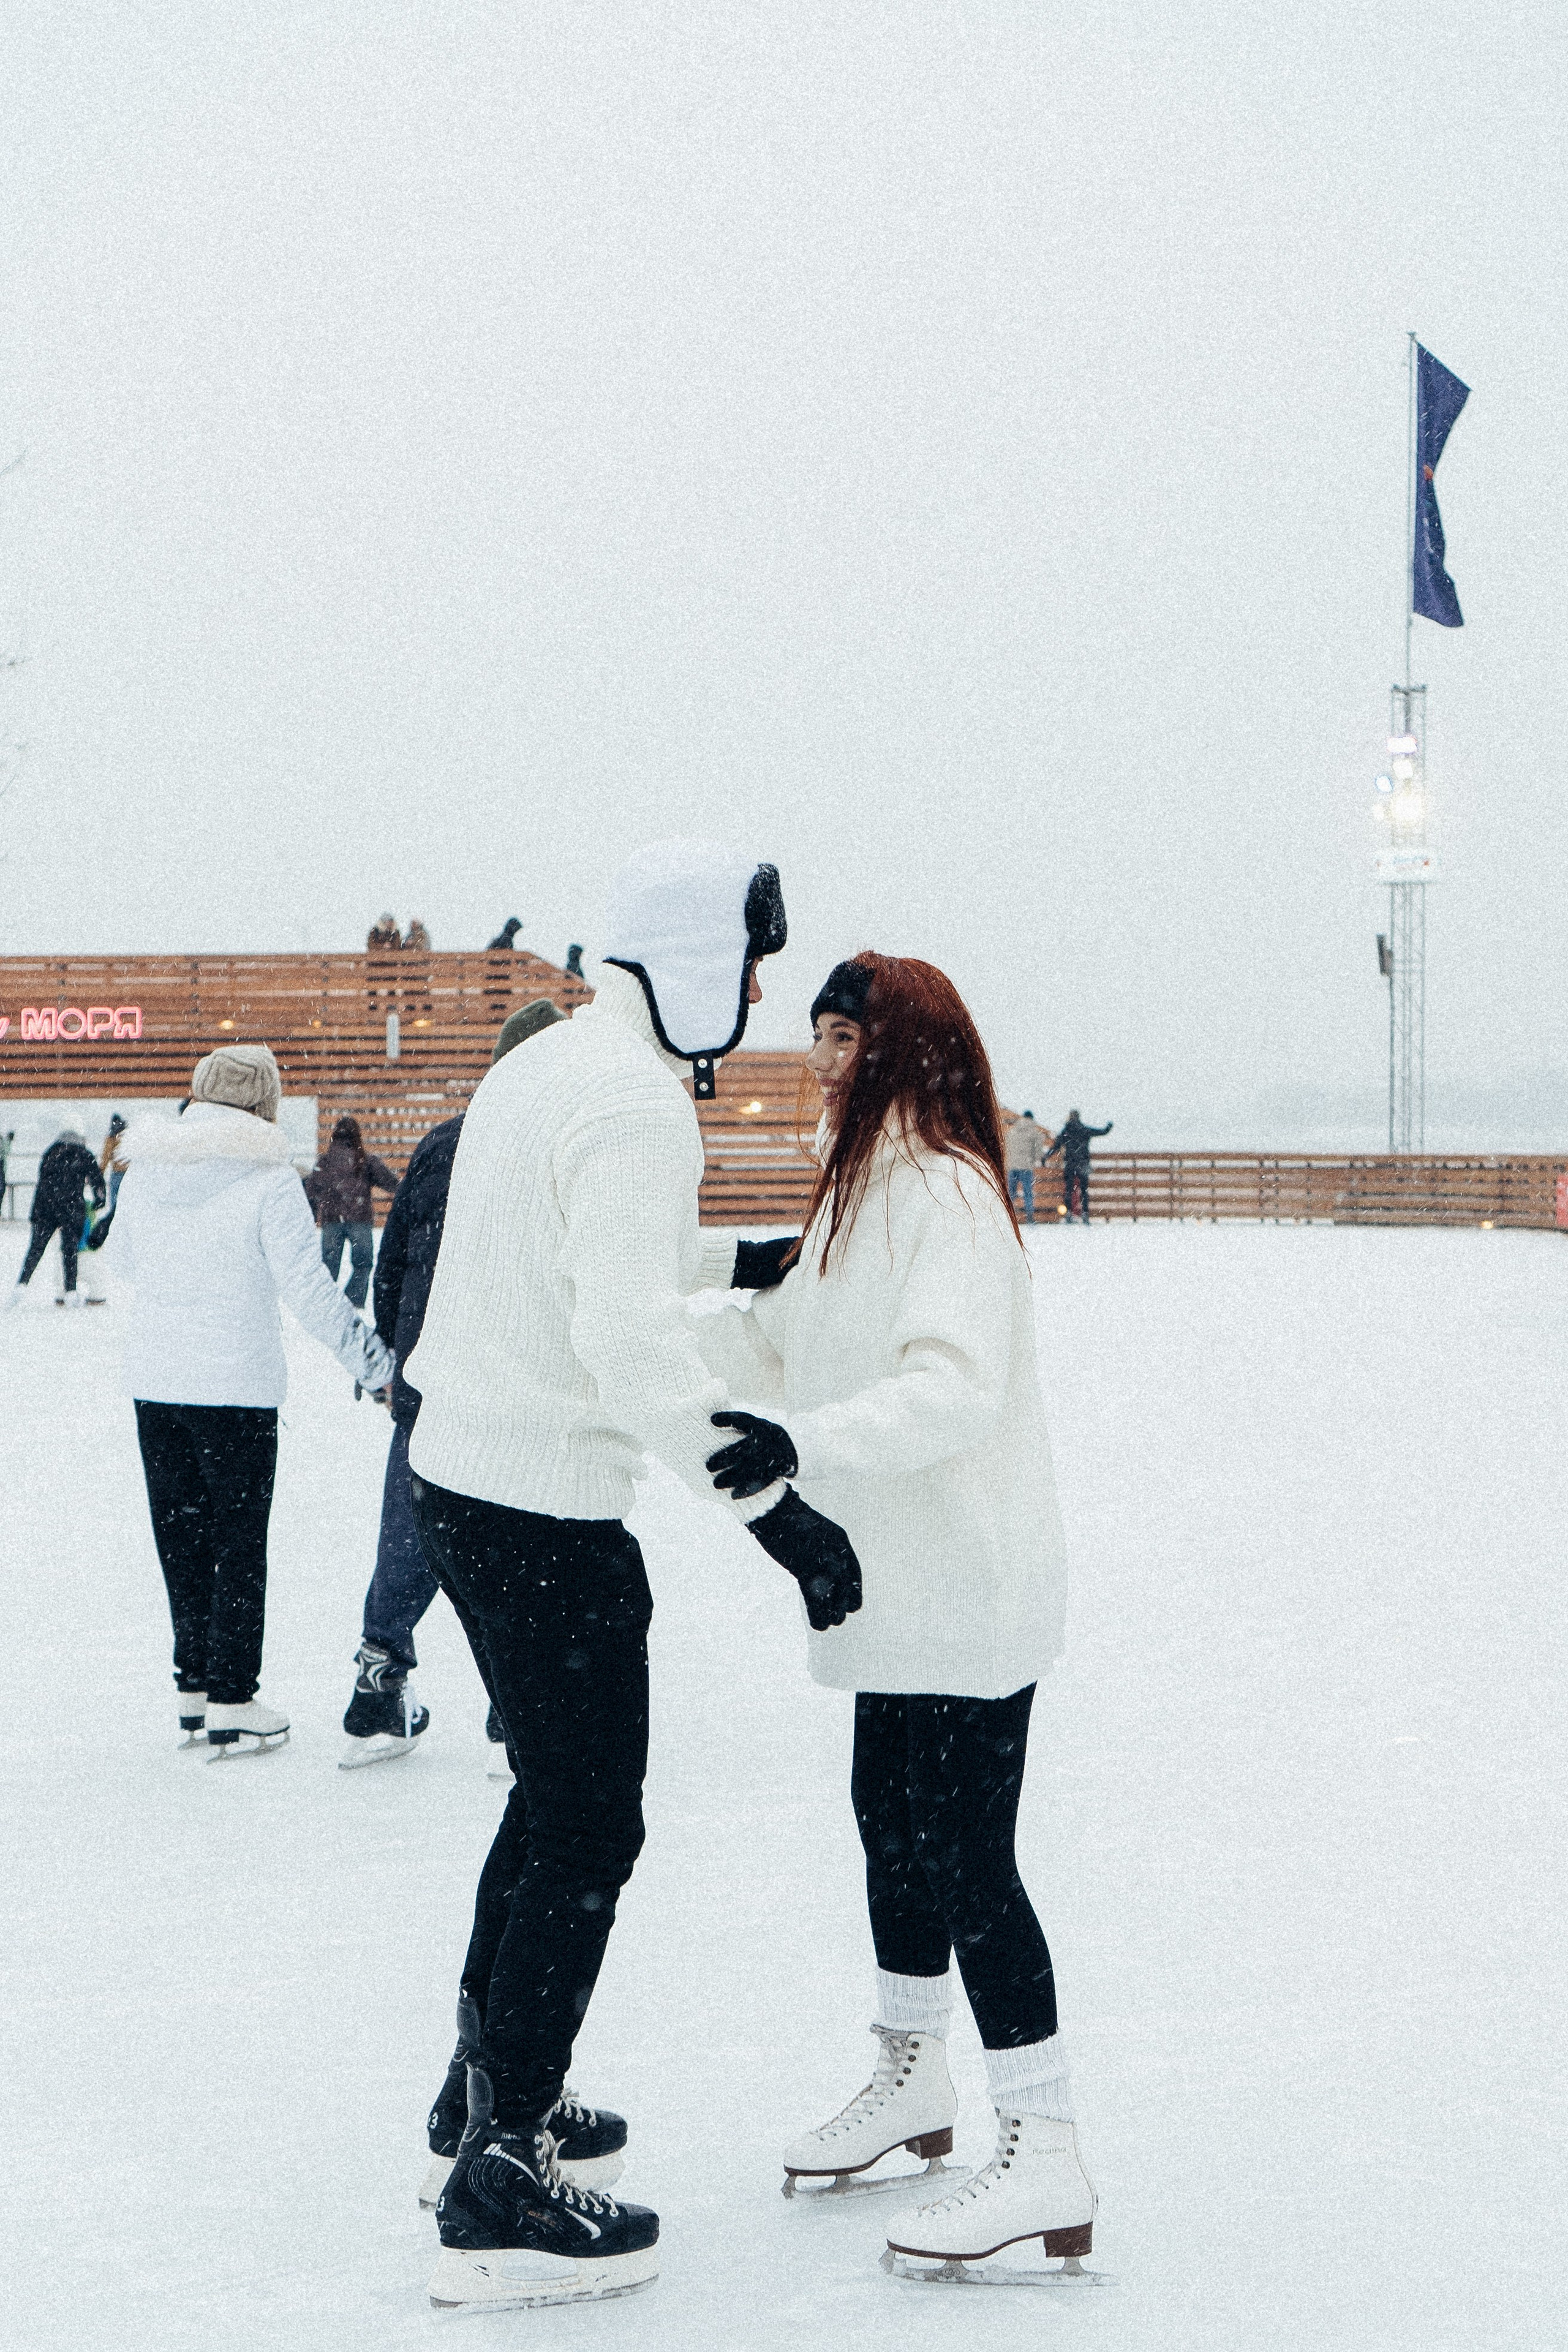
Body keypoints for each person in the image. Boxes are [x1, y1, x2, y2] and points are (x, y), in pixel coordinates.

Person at [404, 840, 862, 2314]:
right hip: (543, 1506)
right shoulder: (629, 1103)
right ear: (697, 963)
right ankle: (500, 2183)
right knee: (590, 1826)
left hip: (465, 1479)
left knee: (548, 1800)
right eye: (750, 966)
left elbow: (591, 1272)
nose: (758, 994)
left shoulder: (558, 1065)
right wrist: (782, 1515)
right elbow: (623, 1347)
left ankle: (479, 2098)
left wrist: (738, 1267)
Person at [693, 951, 1095, 2277]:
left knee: (971, 1859)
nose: (819, 1060)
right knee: (890, 1828)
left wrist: (801, 1443)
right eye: (813, 1035)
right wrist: (667, 1319)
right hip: (893, 1585)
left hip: (968, 1580)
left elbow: (952, 1387)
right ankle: (913, 2071)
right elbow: (774, 1345)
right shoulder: (855, 1192)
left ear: (904, 1051)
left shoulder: (944, 1195)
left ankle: (1043, 2147)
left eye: (842, 1037)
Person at [109, 1045, 393, 1755]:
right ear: (263, 1104)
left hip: (157, 1383)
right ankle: (234, 1695)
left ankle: (194, 1687)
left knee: (181, 1538)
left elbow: (123, 1262)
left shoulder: (147, 1171)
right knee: (237, 1544)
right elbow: (309, 1290)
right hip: (234, 1388)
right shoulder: (268, 1180)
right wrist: (373, 1362)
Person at [341, 999, 564, 1770]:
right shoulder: (560, 1146)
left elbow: (393, 1263)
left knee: (412, 1529)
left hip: (432, 1380)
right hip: (516, 1384)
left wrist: (401, 1359)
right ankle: (517, 1702)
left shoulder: (445, 1143)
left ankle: (379, 1674)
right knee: (515, 1542)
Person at [4, 1128, 105, 1309]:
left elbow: (43, 1178)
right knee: (70, 1250)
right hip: (71, 1208)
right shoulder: (84, 1154)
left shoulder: (51, 1152)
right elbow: (98, 1183)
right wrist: (98, 1202)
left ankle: (22, 1284)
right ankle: (70, 1291)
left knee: (36, 1248)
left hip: (45, 1207)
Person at [306, 1117, 399, 1309]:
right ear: (357, 1135)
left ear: (334, 1136)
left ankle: (326, 1304)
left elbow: (312, 1191)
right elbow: (391, 1183)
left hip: (332, 1220)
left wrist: (312, 1217)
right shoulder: (365, 1160)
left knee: (329, 1267)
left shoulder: (325, 1161)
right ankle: (353, 1301)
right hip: (360, 1219)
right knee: (363, 1264)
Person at [1043, 1109, 1113, 1224]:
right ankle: (1085, 1213)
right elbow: (1101, 1132)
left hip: (1070, 1164)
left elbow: (1057, 1146)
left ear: (1070, 1117)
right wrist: (1108, 1128)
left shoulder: (1067, 1131)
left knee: (1069, 1190)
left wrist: (1046, 1156)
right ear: (1079, 1117)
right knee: (1084, 1190)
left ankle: (1068, 1213)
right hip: (1083, 1163)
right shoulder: (1084, 1130)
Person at [1005, 1108, 1050, 1224]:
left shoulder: (1012, 1131)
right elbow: (1038, 1152)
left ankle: (1009, 1213)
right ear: (1032, 1119)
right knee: (1028, 1192)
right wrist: (1034, 1160)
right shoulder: (1035, 1133)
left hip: (1012, 1166)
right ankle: (1030, 1215)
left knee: (1011, 1191)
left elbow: (1006, 1147)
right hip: (1026, 1166)